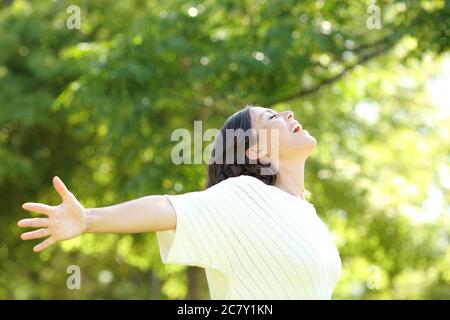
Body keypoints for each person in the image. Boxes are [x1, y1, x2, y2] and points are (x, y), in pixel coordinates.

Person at [18, 105, 341, 299]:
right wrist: (88, 219)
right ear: (255, 150)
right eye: (272, 116)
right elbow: (167, 208)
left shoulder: (308, 215)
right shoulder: (246, 195)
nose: (288, 114)